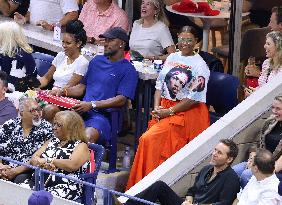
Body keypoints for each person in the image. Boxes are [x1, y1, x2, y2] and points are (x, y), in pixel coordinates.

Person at [126, 26, 210, 189]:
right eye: (182, 39)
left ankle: (146, 187)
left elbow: (193, 99)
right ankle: (143, 187)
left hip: (185, 113)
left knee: (148, 139)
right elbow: (159, 85)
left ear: (196, 42)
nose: (184, 43)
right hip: (164, 108)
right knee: (149, 142)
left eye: (189, 40)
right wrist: (157, 108)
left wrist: (169, 112)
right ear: (177, 38)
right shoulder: (172, 56)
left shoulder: (200, 66)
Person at [58, 27, 138, 143]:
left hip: (104, 116)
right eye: (105, 40)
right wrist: (63, 91)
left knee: (87, 137)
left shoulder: (129, 70)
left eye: (110, 40)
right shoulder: (96, 61)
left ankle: (82, 160)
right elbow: (82, 87)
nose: (105, 44)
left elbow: (121, 100)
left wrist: (93, 105)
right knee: (53, 119)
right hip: (81, 110)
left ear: (121, 43)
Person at [115, 139, 240, 205]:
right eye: (215, 150)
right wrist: (189, 201)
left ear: (229, 159)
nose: (214, 154)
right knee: (159, 186)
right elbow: (191, 191)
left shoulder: (231, 178)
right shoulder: (206, 169)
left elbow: (223, 204)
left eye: (219, 153)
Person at [25, 111, 90, 200]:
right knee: (20, 191)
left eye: (58, 125)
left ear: (70, 128)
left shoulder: (81, 146)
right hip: (40, 181)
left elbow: (72, 165)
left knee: (41, 199)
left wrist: (49, 160)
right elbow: (34, 158)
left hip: (65, 186)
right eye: (54, 124)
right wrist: (43, 164)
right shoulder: (52, 141)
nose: (54, 128)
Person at [233, 95, 282, 186]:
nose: (274, 111)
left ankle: (248, 199)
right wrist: (253, 156)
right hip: (259, 160)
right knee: (234, 171)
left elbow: (279, 164)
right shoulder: (271, 121)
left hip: (273, 168)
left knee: (246, 175)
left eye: (278, 109)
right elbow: (257, 143)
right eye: (273, 107)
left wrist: (259, 168)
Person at [0, 98, 53, 182]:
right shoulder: (10, 125)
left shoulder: (47, 128)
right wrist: (1, 167)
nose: (37, 114)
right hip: (5, 168)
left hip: (28, 171)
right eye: (32, 111)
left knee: (20, 179)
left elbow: (40, 159)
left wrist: (15, 171)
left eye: (38, 110)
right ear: (21, 113)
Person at [39, 20, 88, 93]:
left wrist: (49, 93)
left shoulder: (82, 63)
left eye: (68, 43)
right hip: (51, 93)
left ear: (79, 43)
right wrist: (33, 85)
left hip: (65, 97)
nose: (64, 46)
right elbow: (46, 78)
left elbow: (68, 87)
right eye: (63, 42)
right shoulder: (61, 55)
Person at [0, 21, 37, 92]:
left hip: (17, 94)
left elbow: (12, 87)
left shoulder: (22, 56)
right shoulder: (4, 52)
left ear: (7, 39)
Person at [244, 31, 282, 96]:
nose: (264, 46)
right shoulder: (266, 63)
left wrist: (258, 94)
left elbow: (278, 94)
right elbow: (262, 86)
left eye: (268, 44)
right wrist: (253, 91)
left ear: (278, 47)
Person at [14, 0, 78, 31]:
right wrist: (25, 19)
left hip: (52, 38)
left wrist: (53, 27)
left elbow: (73, 14)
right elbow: (31, 11)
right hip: (34, 34)